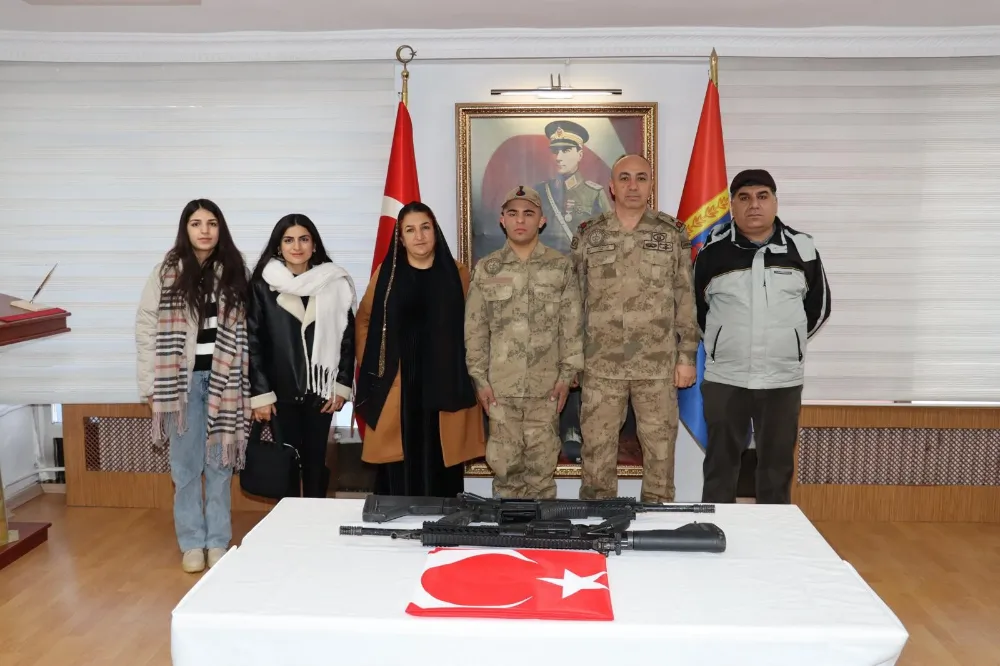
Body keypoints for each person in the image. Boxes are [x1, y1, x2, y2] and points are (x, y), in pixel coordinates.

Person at [695, 169, 831, 504]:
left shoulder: (803, 248)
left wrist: (789, 342)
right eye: (744, 198)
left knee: (776, 468)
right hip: (727, 378)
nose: (753, 205)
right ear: (732, 205)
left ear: (775, 201)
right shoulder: (712, 251)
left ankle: (774, 534)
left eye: (762, 196)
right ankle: (716, 530)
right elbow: (696, 310)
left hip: (781, 379)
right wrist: (722, 344)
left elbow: (818, 308)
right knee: (720, 468)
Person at [570, 154, 700, 503]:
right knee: (596, 452)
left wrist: (687, 356)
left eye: (641, 178)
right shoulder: (590, 234)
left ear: (650, 185)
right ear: (611, 186)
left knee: (660, 451)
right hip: (601, 365)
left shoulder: (671, 233)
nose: (632, 185)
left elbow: (684, 298)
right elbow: (573, 301)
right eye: (624, 178)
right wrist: (572, 360)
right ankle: (597, 521)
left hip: (656, 364)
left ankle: (656, 520)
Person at [135, 199, 250, 573]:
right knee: (184, 468)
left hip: (224, 383)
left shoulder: (235, 270)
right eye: (196, 223)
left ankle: (217, 541)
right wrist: (149, 384)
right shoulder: (166, 272)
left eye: (212, 223)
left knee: (219, 466)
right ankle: (191, 543)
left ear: (220, 229)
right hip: (179, 385)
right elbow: (146, 326)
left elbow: (249, 331)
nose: (205, 230)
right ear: (185, 229)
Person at [354, 202, 485, 497]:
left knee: (442, 464)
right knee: (398, 466)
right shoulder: (386, 275)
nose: (419, 236)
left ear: (435, 231)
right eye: (410, 230)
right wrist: (374, 363)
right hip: (399, 384)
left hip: (445, 382)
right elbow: (364, 320)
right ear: (401, 238)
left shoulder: (458, 274)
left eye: (425, 227)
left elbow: (475, 326)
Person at [465, 185, 584, 499]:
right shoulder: (487, 269)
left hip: (546, 390)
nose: (521, 220)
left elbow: (571, 327)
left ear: (541, 221)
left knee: (541, 475)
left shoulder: (560, 267)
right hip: (500, 390)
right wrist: (479, 380)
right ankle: (507, 529)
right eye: (513, 213)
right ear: (502, 219)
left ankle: (540, 529)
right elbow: (475, 330)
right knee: (505, 474)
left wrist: (566, 377)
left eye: (529, 213)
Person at [246, 213, 357, 499]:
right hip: (280, 394)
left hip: (321, 393)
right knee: (287, 469)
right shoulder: (262, 285)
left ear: (314, 244)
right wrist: (261, 394)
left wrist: (342, 385)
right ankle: (290, 523)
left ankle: (316, 521)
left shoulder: (334, 282)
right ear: (278, 246)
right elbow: (253, 342)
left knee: (316, 467)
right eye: (289, 240)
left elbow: (347, 338)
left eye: (304, 239)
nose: (297, 247)